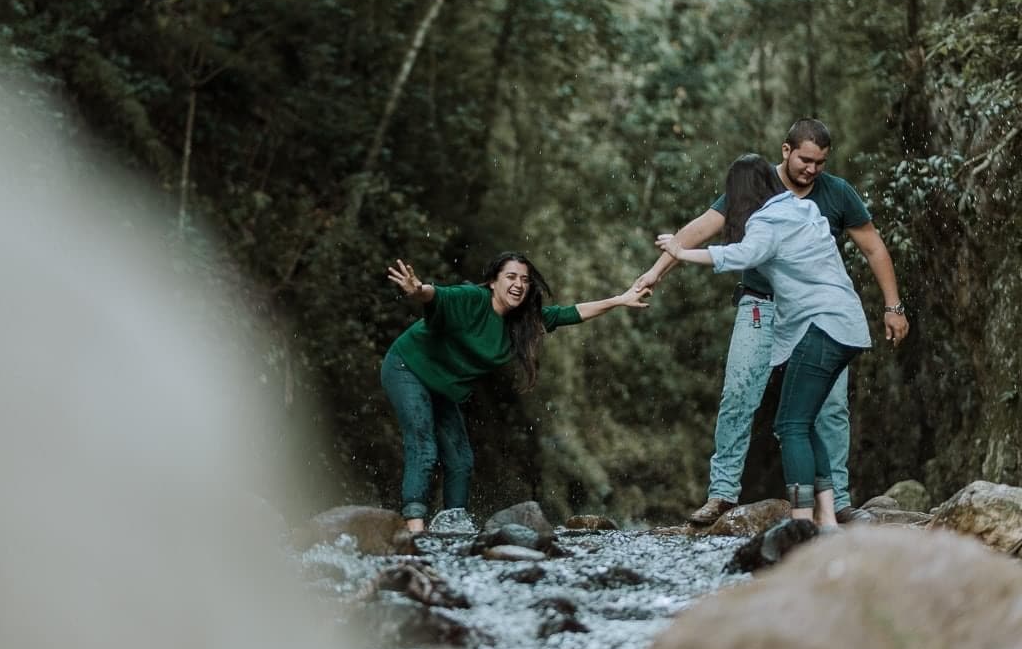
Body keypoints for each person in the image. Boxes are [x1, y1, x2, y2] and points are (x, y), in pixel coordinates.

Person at [633, 119, 909, 525]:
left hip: (816, 313)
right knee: (739, 395)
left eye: (820, 162)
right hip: (761, 307)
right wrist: (654, 273)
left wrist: (893, 306)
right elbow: (698, 230)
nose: (812, 169)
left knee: (829, 409)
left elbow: (873, 248)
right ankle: (723, 494)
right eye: (805, 159)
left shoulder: (836, 194)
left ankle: (838, 501)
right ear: (785, 150)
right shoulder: (755, 186)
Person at [383, 252, 650, 533]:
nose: (519, 284)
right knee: (424, 447)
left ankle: (452, 529)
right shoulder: (472, 299)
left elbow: (571, 313)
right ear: (492, 282)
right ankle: (414, 528)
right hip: (407, 368)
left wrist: (619, 300)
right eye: (511, 277)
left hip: (441, 386)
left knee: (461, 460)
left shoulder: (520, 324)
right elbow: (436, 295)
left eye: (524, 279)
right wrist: (418, 289)